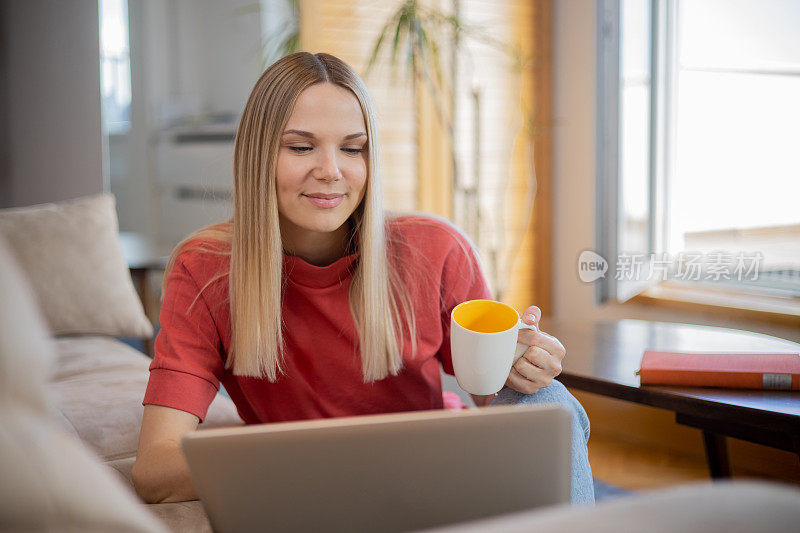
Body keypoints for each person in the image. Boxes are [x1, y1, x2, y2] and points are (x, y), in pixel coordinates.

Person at [131, 52, 594, 506]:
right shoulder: (204, 269)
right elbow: (155, 468)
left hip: (436, 474)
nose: (331, 170)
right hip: (318, 494)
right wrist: (328, 467)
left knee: (549, 399)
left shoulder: (437, 249)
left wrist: (519, 367)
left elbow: (491, 398)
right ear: (257, 156)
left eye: (353, 148)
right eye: (301, 146)